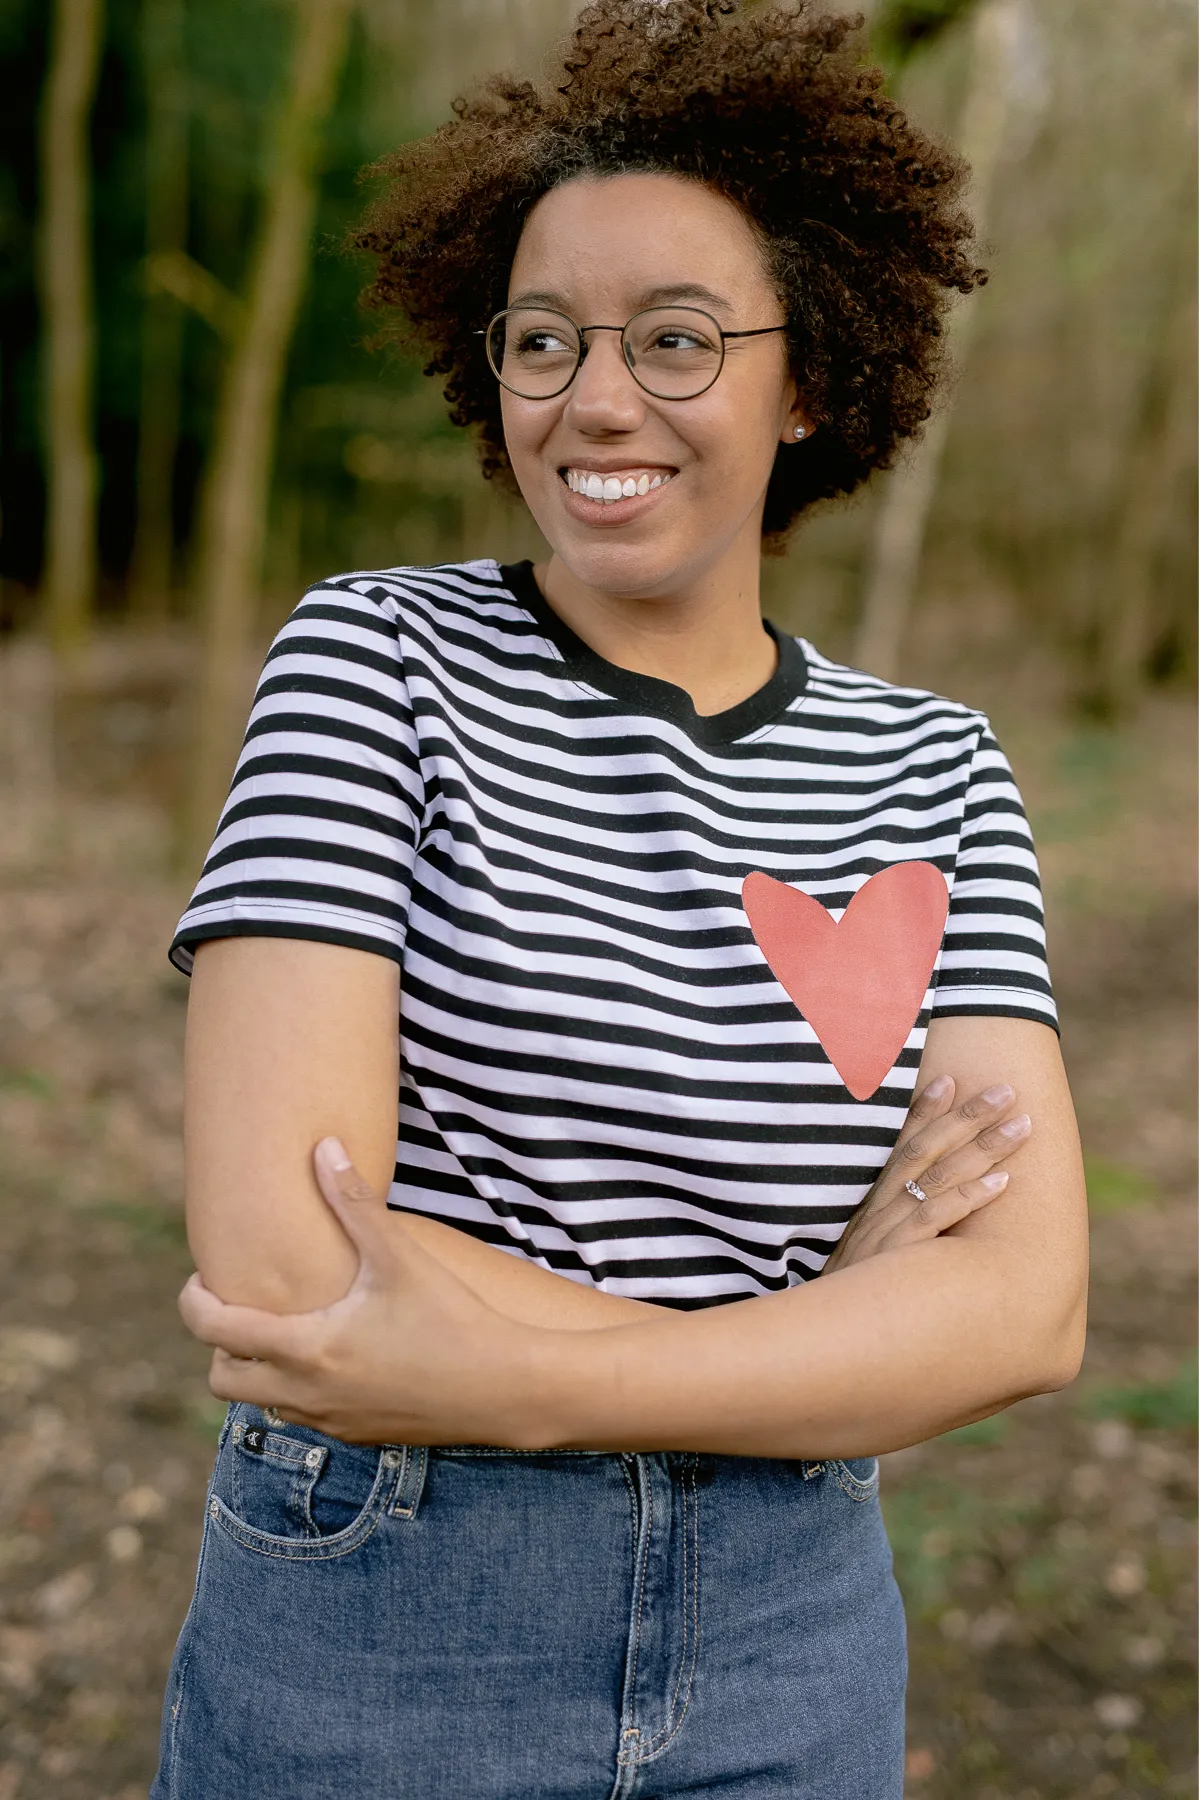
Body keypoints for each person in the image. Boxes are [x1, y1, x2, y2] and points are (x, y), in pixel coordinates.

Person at [151, 3, 1088, 1795]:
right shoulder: (376, 663)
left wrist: (516, 1368)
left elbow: (1026, 1312)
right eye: (545, 338)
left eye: (676, 340)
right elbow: (285, 1266)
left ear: (804, 379)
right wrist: (825, 1338)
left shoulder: (938, 773)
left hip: (793, 1639)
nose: (595, 399)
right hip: (388, 1615)